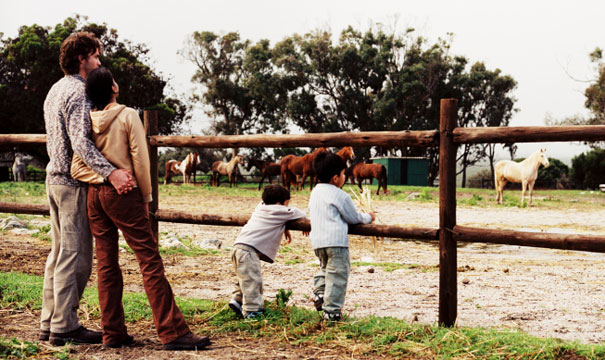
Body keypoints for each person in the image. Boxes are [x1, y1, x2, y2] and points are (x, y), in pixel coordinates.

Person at [70, 66, 211, 350]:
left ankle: (113, 333)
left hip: (95, 197)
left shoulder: (87, 121)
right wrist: (146, 198)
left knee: (107, 264)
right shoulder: (127, 115)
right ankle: (172, 332)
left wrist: (101, 178)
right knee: (149, 260)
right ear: (113, 88)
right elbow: (141, 160)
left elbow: (77, 167)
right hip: (124, 196)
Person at [41, 31, 134, 346]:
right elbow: (81, 141)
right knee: (75, 255)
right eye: (96, 56)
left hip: (53, 180)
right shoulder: (80, 92)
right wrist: (111, 173)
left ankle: (49, 322)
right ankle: (65, 326)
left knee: (58, 254)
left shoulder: (55, 89)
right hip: (71, 184)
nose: (99, 62)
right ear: (82, 59)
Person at [307, 152, 375, 321]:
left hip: (318, 242)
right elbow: (353, 217)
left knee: (325, 269)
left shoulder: (315, 192)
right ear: (336, 177)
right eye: (344, 174)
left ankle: (320, 294)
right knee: (338, 274)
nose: (345, 177)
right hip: (336, 242)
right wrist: (368, 217)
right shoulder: (340, 195)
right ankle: (331, 311)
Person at [229, 184, 307, 319]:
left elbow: (277, 217)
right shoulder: (280, 210)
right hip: (248, 252)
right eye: (287, 203)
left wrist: (285, 228)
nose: (287, 206)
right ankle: (253, 312)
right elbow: (299, 213)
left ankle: (237, 300)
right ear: (279, 203)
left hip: (238, 247)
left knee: (245, 278)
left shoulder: (261, 207)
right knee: (253, 281)